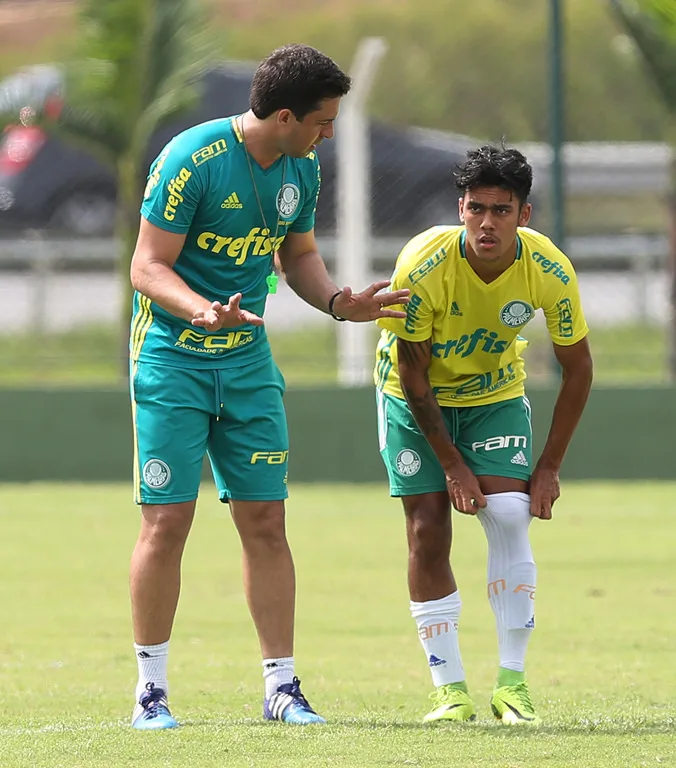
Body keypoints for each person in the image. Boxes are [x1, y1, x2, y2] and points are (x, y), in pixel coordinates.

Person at [128, 43, 409, 731]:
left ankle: (282, 688)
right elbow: (146, 266)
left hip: (249, 365)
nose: (329, 134)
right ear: (285, 115)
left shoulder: (301, 167)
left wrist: (341, 304)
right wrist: (198, 308)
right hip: (173, 360)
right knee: (168, 521)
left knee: (266, 519)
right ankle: (150, 692)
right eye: (322, 121)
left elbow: (299, 253)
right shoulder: (190, 160)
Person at [374, 144, 593, 725]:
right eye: (476, 209)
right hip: (412, 400)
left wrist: (548, 467)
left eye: (501, 210)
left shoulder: (548, 269)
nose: (486, 223)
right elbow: (412, 375)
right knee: (427, 530)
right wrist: (451, 464)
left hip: (493, 395)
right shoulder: (422, 264)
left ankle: (512, 686)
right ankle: (450, 691)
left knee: (511, 513)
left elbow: (579, 369)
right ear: (461, 208)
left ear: (524, 215)